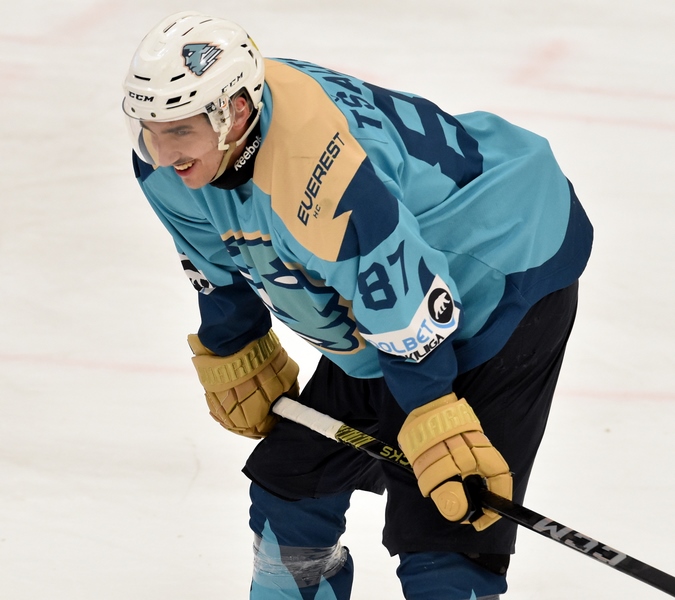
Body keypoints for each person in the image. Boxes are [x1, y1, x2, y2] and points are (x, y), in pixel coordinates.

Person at [122, 11, 593, 600]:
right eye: (149, 129)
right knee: (290, 493)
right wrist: (235, 341)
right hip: (391, 304)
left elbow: (404, 309)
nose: (161, 152)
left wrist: (432, 414)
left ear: (234, 113)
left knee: (446, 533)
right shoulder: (172, 163)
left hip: (504, 263)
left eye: (179, 131)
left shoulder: (318, 174)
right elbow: (214, 257)